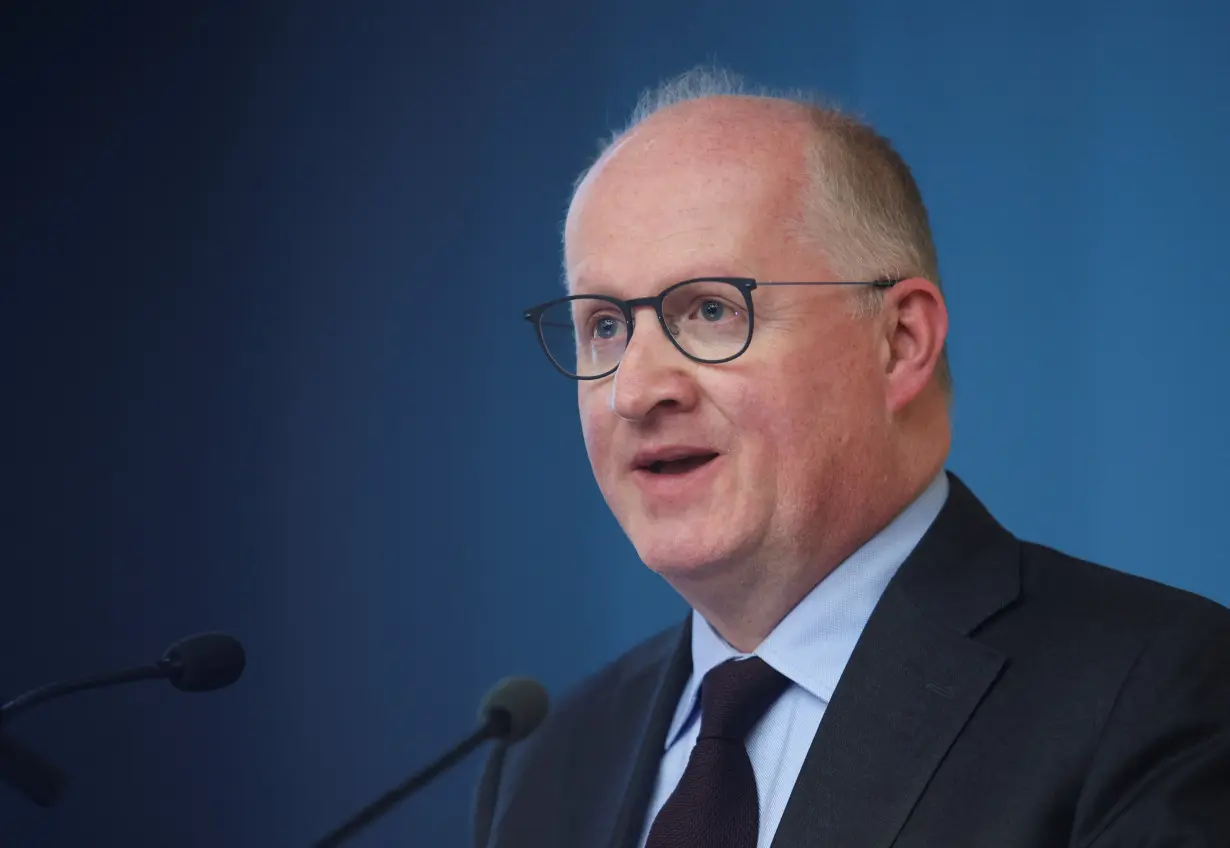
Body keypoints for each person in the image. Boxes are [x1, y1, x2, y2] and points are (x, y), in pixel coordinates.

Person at [474, 68, 1230, 847]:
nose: (635, 391)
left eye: (709, 311)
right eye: (603, 326)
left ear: (899, 342)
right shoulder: (550, 758)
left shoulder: (1154, 692)